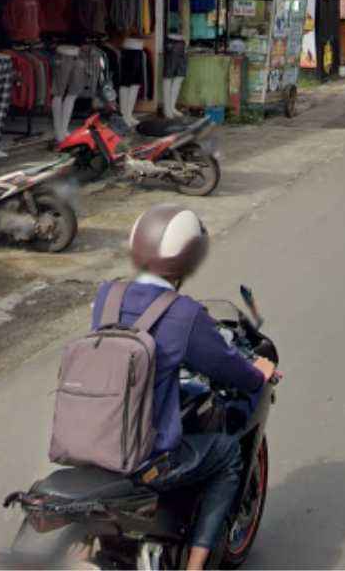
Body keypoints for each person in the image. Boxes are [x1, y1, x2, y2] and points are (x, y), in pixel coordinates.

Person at [105, 204, 277, 571]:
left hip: (93, 443)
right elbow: (229, 369)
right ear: (189, 258)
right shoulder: (183, 314)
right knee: (227, 456)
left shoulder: (109, 295)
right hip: (145, 457)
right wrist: (259, 373)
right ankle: (196, 565)